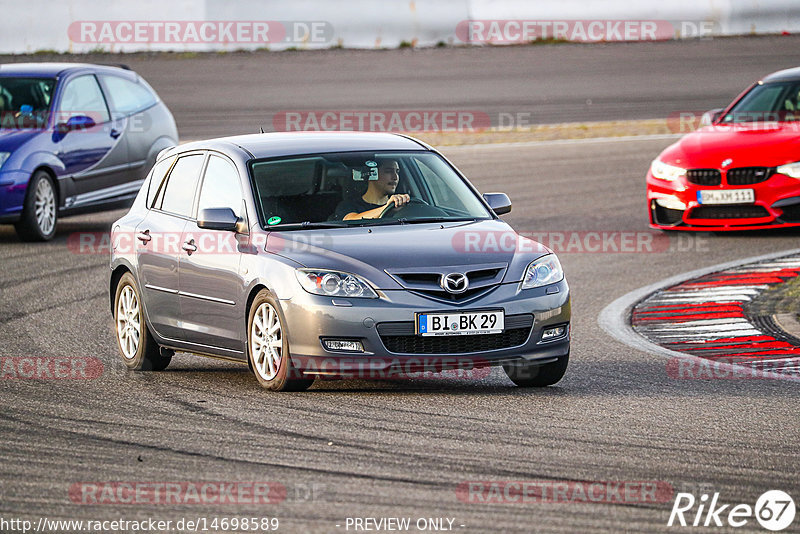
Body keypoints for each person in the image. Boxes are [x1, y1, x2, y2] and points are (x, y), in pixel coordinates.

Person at [333, 159, 410, 220]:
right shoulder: (348, 205)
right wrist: (387, 208)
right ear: (371, 174)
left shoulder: (401, 205)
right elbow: (350, 220)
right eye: (388, 171)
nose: (395, 177)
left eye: (397, 172)